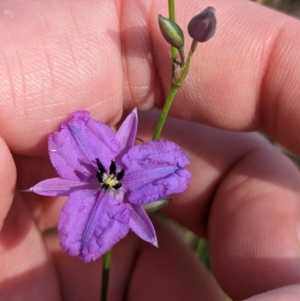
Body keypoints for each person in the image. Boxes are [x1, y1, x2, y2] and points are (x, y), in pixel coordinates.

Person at [0, 0, 300, 300]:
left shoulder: (143, 173)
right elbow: (74, 131)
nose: (109, 180)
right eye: (111, 180)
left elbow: (170, 168)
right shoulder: (80, 143)